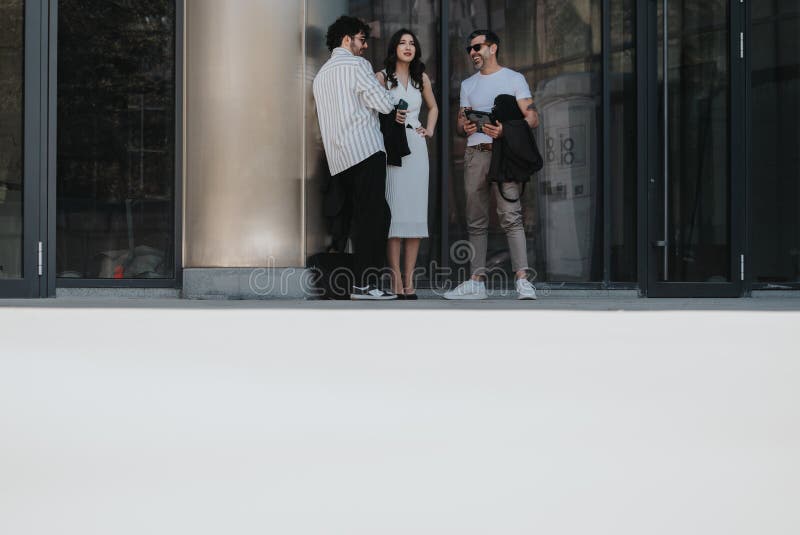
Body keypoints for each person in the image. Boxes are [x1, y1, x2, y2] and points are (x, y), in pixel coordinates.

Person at [443, 29, 541, 300]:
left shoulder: (514, 79)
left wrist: (505, 131)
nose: (473, 53)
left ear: (493, 47)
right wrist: (465, 125)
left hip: (503, 154)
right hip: (475, 154)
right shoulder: (468, 85)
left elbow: (532, 118)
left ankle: (523, 280)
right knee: (475, 220)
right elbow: (459, 126)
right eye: (470, 49)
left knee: (511, 216)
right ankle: (476, 281)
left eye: (477, 47)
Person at [312, 16, 397, 300]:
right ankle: (366, 284)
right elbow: (384, 104)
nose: (364, 47)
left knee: (363, 218)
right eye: (361, 40)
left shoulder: (321, 75)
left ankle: (360, 282)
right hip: (365, 150)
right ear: (347, 39)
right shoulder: (358, 65)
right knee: (374, 218)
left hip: (339, 158)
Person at [377, 29, 439, 300]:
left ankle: (410, 279)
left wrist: (430, 130)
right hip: (392, 147)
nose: (408, 46)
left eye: (412, 43)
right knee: (395, 213)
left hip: (416, 147)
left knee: (413, 214)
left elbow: (434, 107)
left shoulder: (420, 77)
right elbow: (372, 110)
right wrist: (391, 117)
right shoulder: (382, 77)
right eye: (402, 42)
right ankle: (395, 278)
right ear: (394, 48)